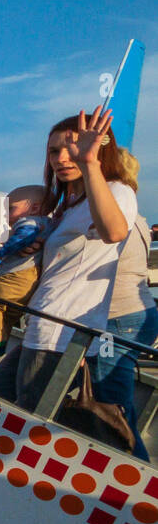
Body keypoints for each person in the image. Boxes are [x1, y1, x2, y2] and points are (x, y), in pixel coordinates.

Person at [0, 107, 139, 413]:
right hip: (42, 326)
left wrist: (89, 163)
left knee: (20, 418)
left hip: (61, 332)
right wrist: (31, 248)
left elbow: (115, 231)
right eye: (54, 151)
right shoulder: (68, 204)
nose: (62, 158)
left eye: (73, 150)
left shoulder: (116, 191)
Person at [89, 147, 155, 458]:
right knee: (114, 407)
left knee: (113, 413)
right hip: (131, 315)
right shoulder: (137, 217)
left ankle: (141, 490)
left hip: (117, 319)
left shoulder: (116, 211)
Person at [0, 185, 50, 362]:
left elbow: (23, 238)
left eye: (10, 208)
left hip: (18, 276)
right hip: (30, 280)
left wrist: (2, 251)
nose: (6, 215)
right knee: (7, 315)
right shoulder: (48, 224)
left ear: (35, 208)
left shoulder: (29, 222)